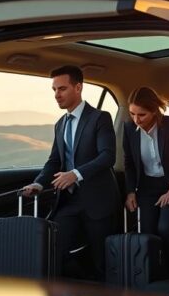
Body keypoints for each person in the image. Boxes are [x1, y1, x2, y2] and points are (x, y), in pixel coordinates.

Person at [22, 65, 117, 280]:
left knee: (102, 262)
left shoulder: (100, 118)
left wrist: (75, 173)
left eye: (62, 89)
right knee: (54, 250)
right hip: (70, 202)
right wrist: (38, 183)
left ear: (78, 87)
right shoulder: (60, 125)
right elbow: (54, 161)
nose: (57, 95)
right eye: (54, 90)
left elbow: (107, 156)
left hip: (98, 201)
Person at [122, 86, 169, 279]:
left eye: (142, 115)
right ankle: (153, 278)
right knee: (148, 232)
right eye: (132, 114)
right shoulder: (129, 128)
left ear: (154, 111)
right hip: (148, 188)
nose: (136, 120)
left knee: (164, 227)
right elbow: (129, 162)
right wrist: (130, 192)